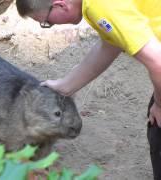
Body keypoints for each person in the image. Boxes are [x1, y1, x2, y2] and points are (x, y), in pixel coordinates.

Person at [15, 0, 161, 179]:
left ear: (61, 4)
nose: (50, 26)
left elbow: (158, 63)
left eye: (47, 22)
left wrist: (160, 105)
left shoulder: (99, 7)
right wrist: (67, 85)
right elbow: (112, 43)